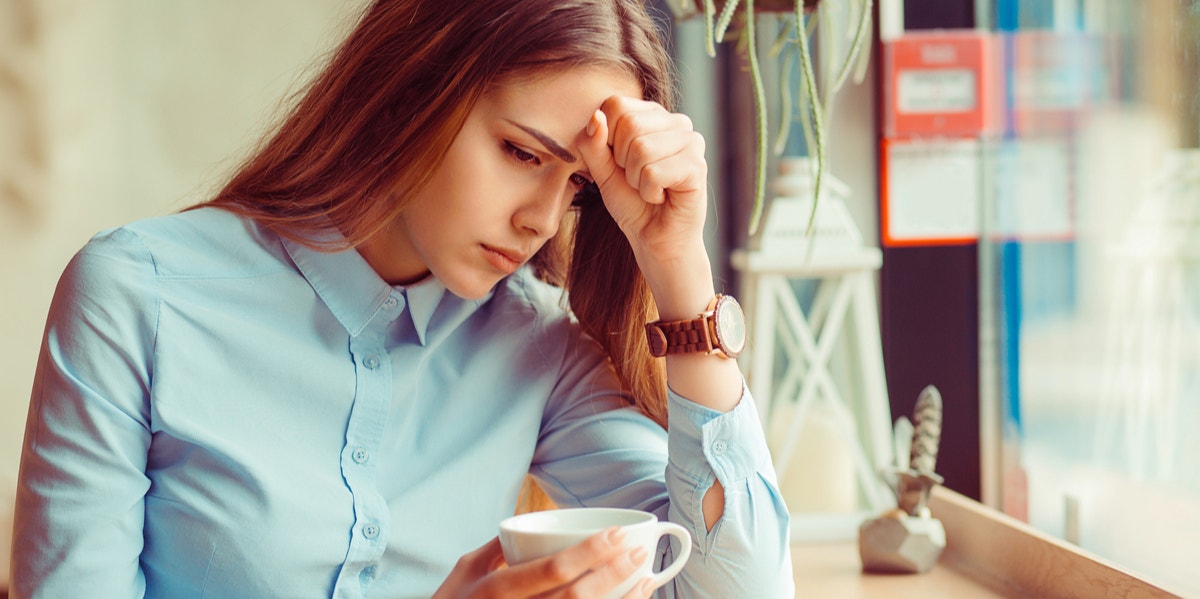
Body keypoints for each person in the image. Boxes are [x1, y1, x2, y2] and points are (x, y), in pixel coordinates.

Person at [10, 0, 795, 597]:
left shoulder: (539, 345)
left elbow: (738, 586)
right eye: (521, 152)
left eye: (580, 187)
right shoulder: (136, 296)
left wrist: (678, 265)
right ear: (407, 92)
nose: (542, 219)